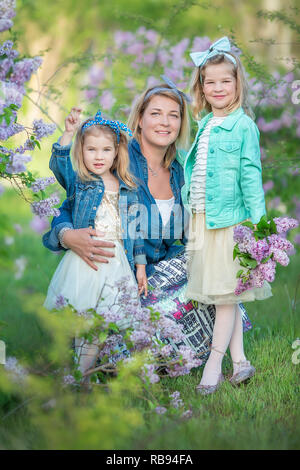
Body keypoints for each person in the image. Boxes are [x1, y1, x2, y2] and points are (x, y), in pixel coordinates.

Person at [43, 77, 253, 366]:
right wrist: (66, 236)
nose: (165, 122)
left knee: (218, 265)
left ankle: (231, 361)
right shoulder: (117, 157)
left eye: (174, 115)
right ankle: (114, 359)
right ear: (140, 119)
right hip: (119, 275)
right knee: (122, 349)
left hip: (155, 275)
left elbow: (190, 235)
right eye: (156, 113)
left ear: (181, 123)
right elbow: (73, 200)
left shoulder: (182, 172)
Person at [182, 37, 272, 395]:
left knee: (224, 295)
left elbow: (251, 177)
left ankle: (213, 364)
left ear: (238, 84)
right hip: (202, 220)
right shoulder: (205, 124)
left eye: (226, 80)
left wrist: (259, 227)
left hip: (229, 224)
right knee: (225, 294)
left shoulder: (243, 125)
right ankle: (241, 362)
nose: (218, 87)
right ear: (201, 87)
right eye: (210, 81)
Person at [44, 107, 147, 379]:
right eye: (91, 150)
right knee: (79, 318)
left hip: (115, 262)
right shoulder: (80, 181)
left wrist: (140, 267)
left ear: (116, 152)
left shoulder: (126, 185)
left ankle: (81, 375)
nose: (98, 156)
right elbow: (59, 164)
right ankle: (69, 376)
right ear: (82, 151)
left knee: (100, 323)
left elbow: (136, 232)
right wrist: (67, 133)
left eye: (105, 150)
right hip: (86, 261)